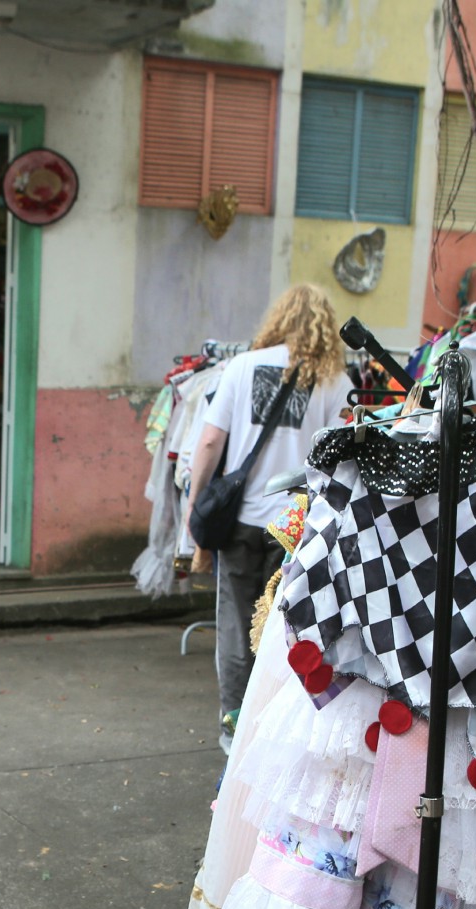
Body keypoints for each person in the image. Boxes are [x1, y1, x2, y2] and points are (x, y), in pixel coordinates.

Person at [185, 283, 352, 750]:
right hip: (299, 527)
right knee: (287, 629)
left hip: (241, 521)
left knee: (235, 626)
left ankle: (233, 725)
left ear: (278, 317)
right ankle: (276, 727)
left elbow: (210, 442)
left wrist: (193, 502)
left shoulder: (241, 368)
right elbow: (345, 457)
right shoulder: (335, 379)